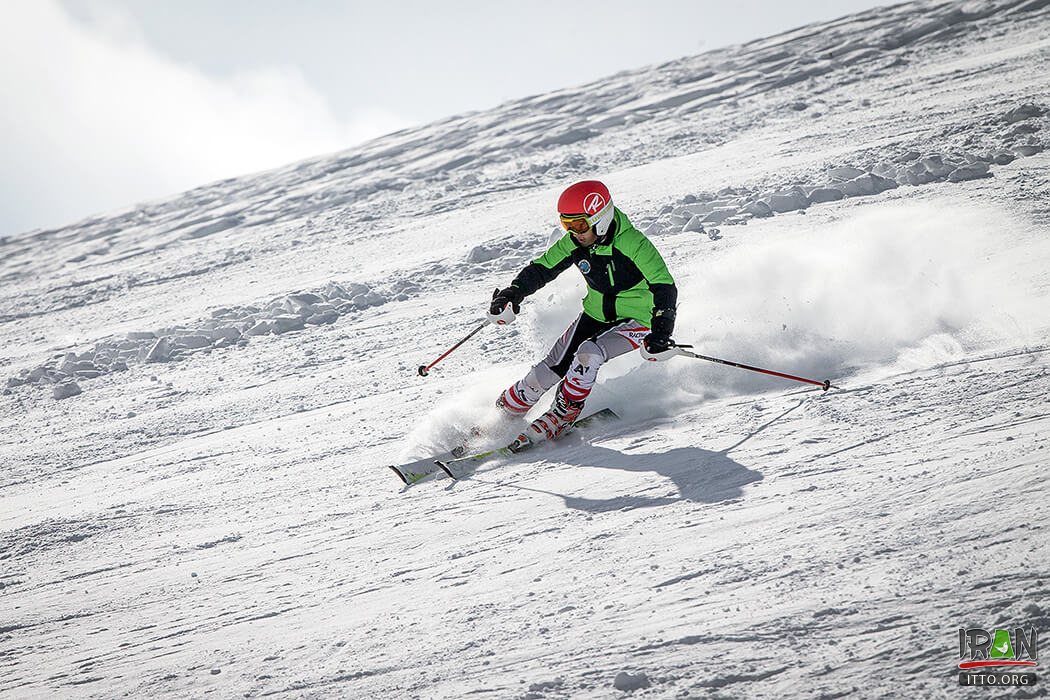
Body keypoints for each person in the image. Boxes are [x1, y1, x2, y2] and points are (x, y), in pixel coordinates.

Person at [487, 179, 679, 448]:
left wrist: (661, 332)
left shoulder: (634, 244)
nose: (575, 233)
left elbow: (665, 287)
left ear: (600, 218)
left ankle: (564, 413)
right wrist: (513, 292)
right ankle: (504, 414)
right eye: (567, 225)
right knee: (547, 372)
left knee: (589, 353)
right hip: (596, 314)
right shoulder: (576, 243)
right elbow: (542, 268)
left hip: (640, 320)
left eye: (579, 224)